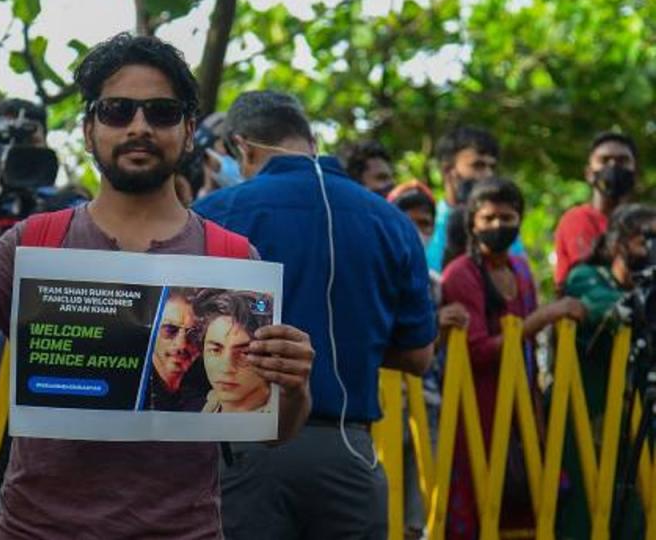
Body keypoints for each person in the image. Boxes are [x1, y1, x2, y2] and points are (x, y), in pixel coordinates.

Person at [0, 33, 314, 539]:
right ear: (88, 128)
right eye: (118, 110)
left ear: (187, 131)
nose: (139, 126)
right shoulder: (36, 242)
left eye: (161, 112)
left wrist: (293, 385)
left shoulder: (231, 259)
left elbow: (273, 431)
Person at [193, 90, 436, 539]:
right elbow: (419, 356)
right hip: (349, 450)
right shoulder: (391, 220)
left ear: (242, 148)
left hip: (243, 453)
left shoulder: (213, 215)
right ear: (311, 140)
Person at [440, 177, 585, 538]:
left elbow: (527, 357)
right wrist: (541, 319)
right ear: (473, 222)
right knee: (477, 510)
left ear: (519, 219)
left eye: (506, 218)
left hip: (522, 407)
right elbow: (475, 352)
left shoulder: (520, 268)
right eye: (488, 219)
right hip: (476, 409)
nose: (497, 226)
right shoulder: (461, 274)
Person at [556, 204, 655, 540]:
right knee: (583, 512)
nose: (652, 247)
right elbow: (605, 307)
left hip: (638, 419)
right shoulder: (586, 276)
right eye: (646, 238)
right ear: (617, 244)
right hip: (587, 415)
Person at [388, 180, 470, 540]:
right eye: (410, 220)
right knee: (384, 507)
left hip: (429, 401)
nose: (418, 231)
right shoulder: (375, 272)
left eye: (426, 223)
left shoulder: (435, 283)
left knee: (421, 515)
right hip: (384, 408)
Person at [427, 126, 524, 273]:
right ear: (447, 170)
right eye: (478, 166)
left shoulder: (501, 224)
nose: (488, 175)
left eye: (492, 167)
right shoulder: (427, 223)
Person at [554, 131, 638, 288]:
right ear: (589, 173)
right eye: (604, 160)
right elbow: (590, 274)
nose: (613, 166)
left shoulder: (643, 222)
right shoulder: (577, 219)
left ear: (635, 172)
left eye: (622, 160)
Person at [195, 290, 272, 413]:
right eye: (215, 350)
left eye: (245, 353)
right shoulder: (201, 407)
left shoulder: (282, 417)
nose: (226, 368)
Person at [148, 288, 207, 411]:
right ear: (151, 330)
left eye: (194, 334)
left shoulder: (208, 393)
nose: (182, 344)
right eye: (170, 330)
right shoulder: (132, 388)